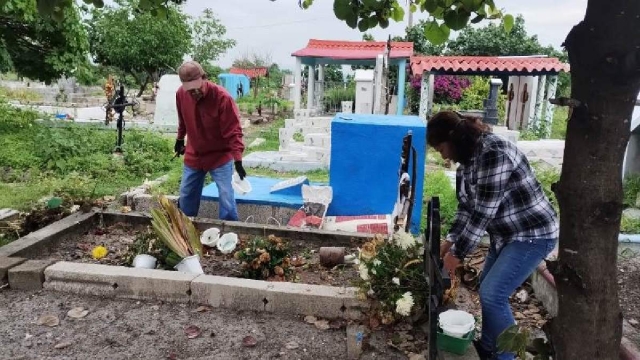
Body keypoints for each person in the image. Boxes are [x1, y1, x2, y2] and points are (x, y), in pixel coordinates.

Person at [427, 111, 558, 360]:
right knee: (487, 287)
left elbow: (483, 213)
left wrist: (458, 254)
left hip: (532, 233)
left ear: (453, 139)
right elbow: (466, 208)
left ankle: (506, 356)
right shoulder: (466, 164)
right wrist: (449, 240)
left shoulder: (493, 153)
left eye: (440, 147)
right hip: (505, 235)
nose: (441, 155)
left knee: (493, 294)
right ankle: (489, 348)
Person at [174, 60, 246, 221]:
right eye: (190, 90)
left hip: (220, 156)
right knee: (186, 195)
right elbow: (182, 120)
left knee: (226, 196)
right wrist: (179, 139)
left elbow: (234, 131)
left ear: (204, 77)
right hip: (195, 154)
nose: (194, 93)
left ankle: (229, 232)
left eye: (197, 88)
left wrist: (238, 160)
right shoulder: (181, 94)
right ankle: (186, 230)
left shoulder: (222, 98)